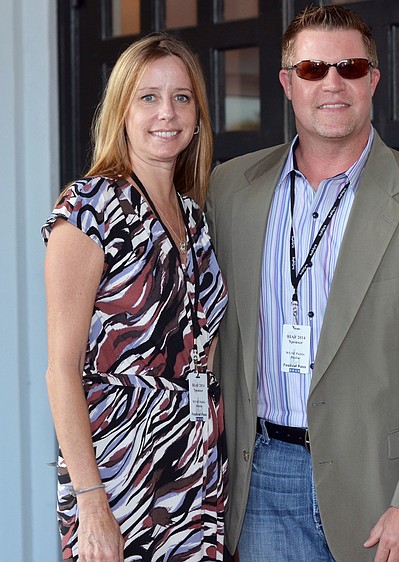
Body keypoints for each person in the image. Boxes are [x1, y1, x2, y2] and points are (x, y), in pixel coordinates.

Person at [205, 5, 399, 562]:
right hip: (262, 484)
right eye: (312, 69)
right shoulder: (229, 188)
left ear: (373, 80)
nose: (332, 83)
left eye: (350, 67)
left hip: (383, 495)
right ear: (287, 82)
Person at [43, 33, 228, 561]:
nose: (166, 113)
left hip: (196, 473)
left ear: (197, 113)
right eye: (148, 97)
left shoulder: (195, 217)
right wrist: (90, 502)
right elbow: (61, 370)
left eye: (181, 97)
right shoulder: (89, 208)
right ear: (121, 110)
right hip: (118, 474)